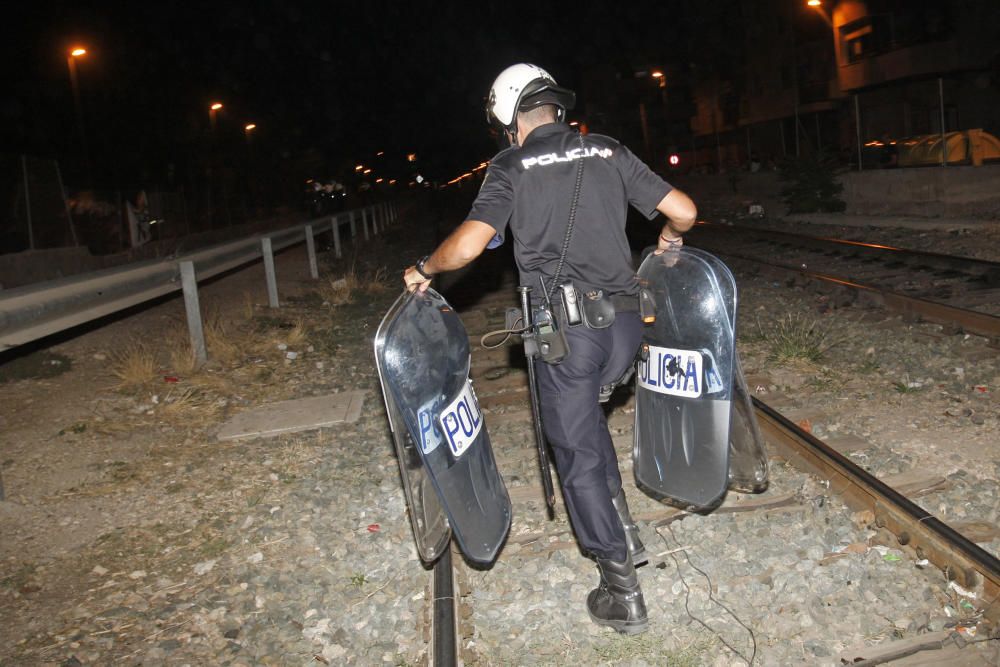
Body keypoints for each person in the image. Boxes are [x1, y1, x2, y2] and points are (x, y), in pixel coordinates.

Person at [402, 63, 697, 634]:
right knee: (591, 427)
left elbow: (467, 247)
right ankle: (626, 530)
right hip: (626, 329)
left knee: (578, 453)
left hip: (568, 336)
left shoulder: (510, 166)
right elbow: (682, 210)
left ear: (511, 119)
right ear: (557, 109)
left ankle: (621, 589)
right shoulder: (608, 150)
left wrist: (424, 268)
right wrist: (669, 239)